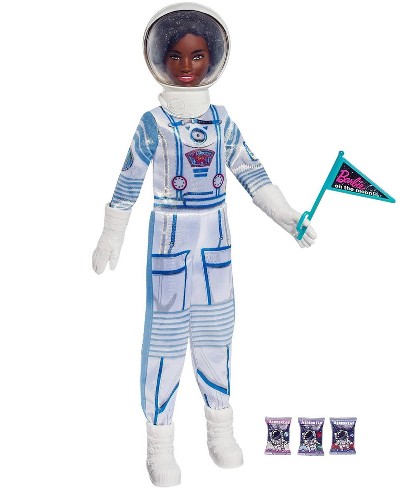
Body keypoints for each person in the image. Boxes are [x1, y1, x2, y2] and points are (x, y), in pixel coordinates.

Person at [92, 3, 316, 487]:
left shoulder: (223, 121)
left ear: (212, 58)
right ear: (160, 59)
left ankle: (220, 427)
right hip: (170, 239)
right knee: (165, 341)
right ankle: (160, 443)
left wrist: (288, 217)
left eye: (196, 56)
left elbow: (253, 173)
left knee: (217, 335)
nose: (186, 66)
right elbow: (129, 178)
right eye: (175, 56)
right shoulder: (153, 123)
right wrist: (113, 231)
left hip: (216, 240)